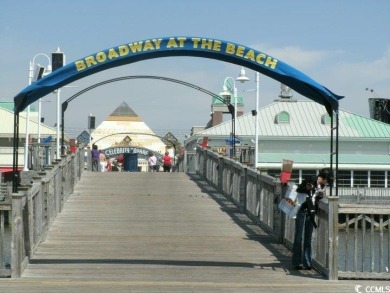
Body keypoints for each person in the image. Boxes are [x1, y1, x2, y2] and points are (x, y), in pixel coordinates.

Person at [292, 168, 332, 270]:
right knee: (298, 237)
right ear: (324, 177)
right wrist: (309, 187)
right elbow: (300, 189)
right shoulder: (311, 179)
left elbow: (316, 197)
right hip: (301, 209)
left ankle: (307, 262)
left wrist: (320, 195)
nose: (327, 183)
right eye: (327, 180)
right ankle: (297, 262)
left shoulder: (322, 186)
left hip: (311, 211)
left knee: (308, 238)